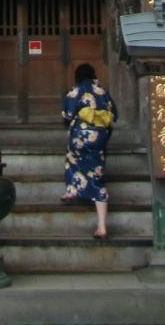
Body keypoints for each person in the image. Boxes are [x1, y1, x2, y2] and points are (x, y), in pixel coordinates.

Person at [61, 62, 117, 239]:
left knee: (73, 158)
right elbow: (114, 115)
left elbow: (67, 114)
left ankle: (72, 190)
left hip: (81, 134)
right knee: (97, 173)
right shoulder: (102, 91)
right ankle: (102, 226)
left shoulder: (76, 90)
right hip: (99, 135)